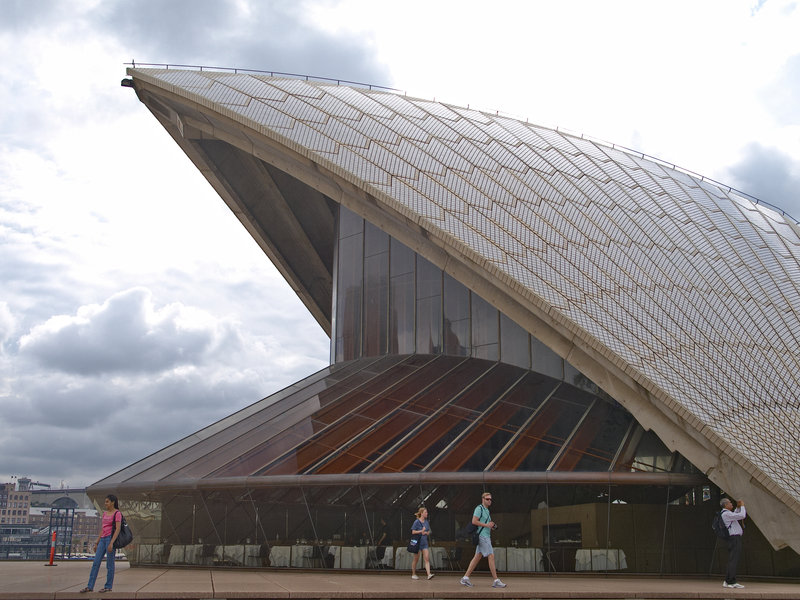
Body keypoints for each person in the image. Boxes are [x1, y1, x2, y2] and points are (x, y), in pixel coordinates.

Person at [460, 492, 506, 588]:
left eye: (490, 499)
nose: (489, 501)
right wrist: (486, 525)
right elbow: (474, 521)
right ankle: (496, 580)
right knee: (491, 556)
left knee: (477, 557)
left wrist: (491, 525)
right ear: (483, 499)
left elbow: (485, 523)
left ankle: (465, 578)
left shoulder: (487, 510)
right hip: (482, 536)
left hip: (485, 536)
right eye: (487, 499)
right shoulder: (479, 509)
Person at [79, 494, 122, 593]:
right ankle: (90, 586)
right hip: (102, 540)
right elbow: (103, 529)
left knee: (109, 564)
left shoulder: (117, 513)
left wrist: (112, 543)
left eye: (107, 501)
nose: (105, 503)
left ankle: (108, 586)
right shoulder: (105, 513)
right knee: (96, 563)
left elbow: (118, 529)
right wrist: (97, 542)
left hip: (110, 540)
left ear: (112, 502)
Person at [720, 497, 746, 589]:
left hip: (734, 538)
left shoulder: (727, 513)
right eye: (730, 503)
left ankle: (728, 580)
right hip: (734, 538)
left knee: (733, 560)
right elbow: (742, 515)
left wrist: (738, 507)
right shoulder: (726, 514)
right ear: (726, 505)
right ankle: (731, 581)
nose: (731, 504)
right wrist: (742, 506)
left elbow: (736, 514)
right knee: (733, 560)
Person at [410, 506, 433, 580]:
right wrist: (421, 531)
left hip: (424, 542)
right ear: (422, 513)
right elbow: (413, 532)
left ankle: (429, 574)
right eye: (425, 512)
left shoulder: (426, 522)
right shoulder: (416, 521)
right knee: (416, 559)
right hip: (417, 543)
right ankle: (413, 574)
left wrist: (426, 533)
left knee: (426, 558)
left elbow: (429, 531)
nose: (427, 513)